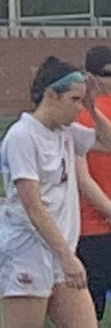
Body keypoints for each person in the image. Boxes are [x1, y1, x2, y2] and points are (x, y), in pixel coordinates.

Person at [0, 55, 111, 328]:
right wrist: (68, 256)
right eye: (75, 100)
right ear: (52, 95)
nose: (78, 109)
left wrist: (93, 108)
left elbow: (108, 142)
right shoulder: (23, 136)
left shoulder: (67, 133)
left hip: (60, 253)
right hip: (27, 252)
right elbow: (33, 206)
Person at [76, 46, 111, 320]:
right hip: (93, 225)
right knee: (90, 311)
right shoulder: (80, 112)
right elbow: (82, 178)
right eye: (107, 74)